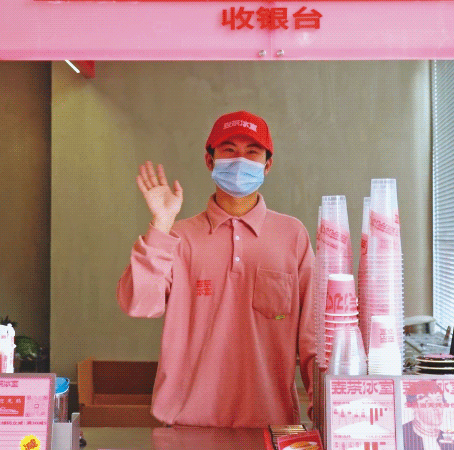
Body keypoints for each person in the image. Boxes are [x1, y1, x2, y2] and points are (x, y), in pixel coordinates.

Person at [117, 111, 316, 428]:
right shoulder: (178, 236)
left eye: (252, 152)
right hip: (186, 424)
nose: (240, 161)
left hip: (270, 421)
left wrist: (325, 410)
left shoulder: (292, 236)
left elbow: (313, 337)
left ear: (267, 165)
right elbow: (139, 304)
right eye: (229, 150)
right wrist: (161, 224)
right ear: (210, 161)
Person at [402, 380, 454, 450]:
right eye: (428, 401)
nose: (435, 406)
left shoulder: (450, 440)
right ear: (414, 406)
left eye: (438, 400)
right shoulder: (401, 433)